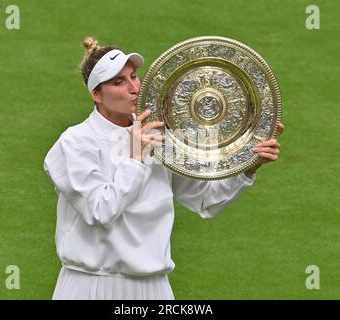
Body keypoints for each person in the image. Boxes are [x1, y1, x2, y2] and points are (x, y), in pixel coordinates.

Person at [44, 37, 284, 300]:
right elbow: (100, 211)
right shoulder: (75, 142)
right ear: (96, 94)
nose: (134, 88)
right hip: (90, 286)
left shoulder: (162, 136)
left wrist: (249, 166)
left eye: (134, 76)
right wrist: (135, 158)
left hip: (154, 288)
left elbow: (206, 201)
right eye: (118, 82)